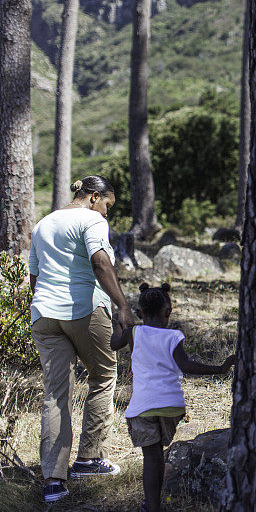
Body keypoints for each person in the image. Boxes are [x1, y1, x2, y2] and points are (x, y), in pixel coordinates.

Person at [28, 176, 135, 503]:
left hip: (44, 315)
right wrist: (123, 305)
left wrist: (47, 304)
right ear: (94, 196)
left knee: (56, 393)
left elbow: (34, 275)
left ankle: (53, 481)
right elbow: (100, 262)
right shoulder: (90, 220)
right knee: (103, 377)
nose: (106, 214)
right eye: (107, 205)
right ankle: (88, 459)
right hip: (84, 310)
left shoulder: (43, 224)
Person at [111, 283, 235, 512]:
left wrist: (122, 324)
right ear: (168, 311)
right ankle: (154, 500)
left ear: (139, 313)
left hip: (143, 408)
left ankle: (152, 507)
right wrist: (220, 368)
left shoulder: (134, 332)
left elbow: (113, 344)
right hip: (171, 408)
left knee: (151, 457)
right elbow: (187, 366)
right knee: (158, 454)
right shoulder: (174, 336)